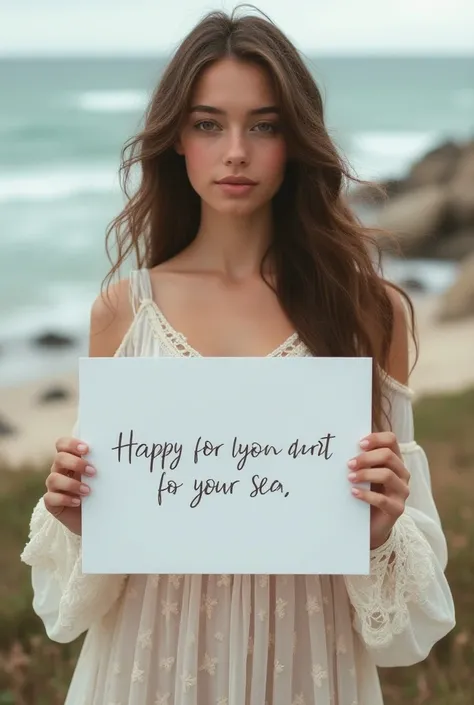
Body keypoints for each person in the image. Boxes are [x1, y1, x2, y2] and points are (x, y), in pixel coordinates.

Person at [21, 8, 455, 705]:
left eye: (264, 124)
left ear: (296, 140)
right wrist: (76, 517)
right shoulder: (123, 313)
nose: (235, 152)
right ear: (177, 141)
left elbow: (409, 624)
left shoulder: (370, 311)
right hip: (145, 668)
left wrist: (381, 532)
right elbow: (74, 606)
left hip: (309, 669)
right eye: (207, 123)